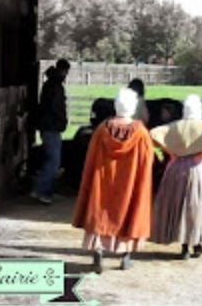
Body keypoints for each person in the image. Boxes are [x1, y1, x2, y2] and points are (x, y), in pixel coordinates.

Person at [72, 88, 154, 273]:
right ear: (133, 107)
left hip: (103, 184)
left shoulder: (102, 130)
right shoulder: (141, 133)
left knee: (100, 214)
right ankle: (125, 257)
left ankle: (98, 255)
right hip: (129, 185)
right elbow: (147, 162)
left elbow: (91, 159)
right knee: (128, 214)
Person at [150, 95, 202, 260]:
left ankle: (184, 247)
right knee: (198, 206)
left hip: (176, 168)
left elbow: (154, 134)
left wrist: (171, 151)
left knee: (179, 206)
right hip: (200, 168)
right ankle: (197, 244)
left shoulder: (174, 126)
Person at [29, 59, 70, 204]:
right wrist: (62, 122)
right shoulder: (56, 86)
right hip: (51, 126)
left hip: (47, 126)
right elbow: (56, 108)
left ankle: (45, 189)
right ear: (64, 70)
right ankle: (41, 190)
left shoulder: (49, 84)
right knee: (54, 161)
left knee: (51, 159)